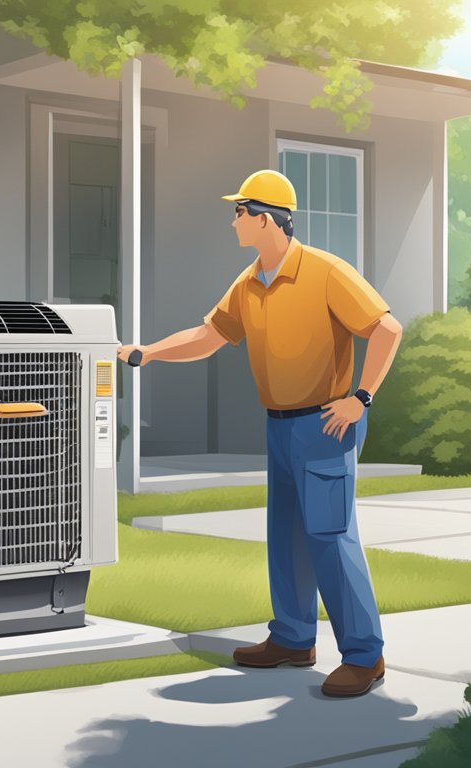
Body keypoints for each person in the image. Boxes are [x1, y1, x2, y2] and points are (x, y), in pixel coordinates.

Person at [117, 169, 404, 698]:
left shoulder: (324, 271)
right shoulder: (248, 282)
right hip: (278, 425)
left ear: (267, 219)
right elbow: (209, 335)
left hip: (325, 423)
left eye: (241, 211)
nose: (233, 221)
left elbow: (387, 328)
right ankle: (293, 638)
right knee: (287, 534)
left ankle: (365, 655)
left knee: (330, 537)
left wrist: (360, 398)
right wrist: (149, 352)